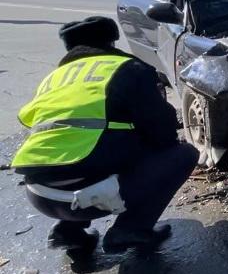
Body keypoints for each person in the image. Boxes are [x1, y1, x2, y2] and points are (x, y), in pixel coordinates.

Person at [11, 16, 199, 254]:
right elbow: (162, 133)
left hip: (39, 194)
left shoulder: (54, 78)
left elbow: (30, 120)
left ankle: (68, 232)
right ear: (110, 42)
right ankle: (131, 228)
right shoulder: (127, 69)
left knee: (77, 150)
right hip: (91, 196)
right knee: (182, 154)